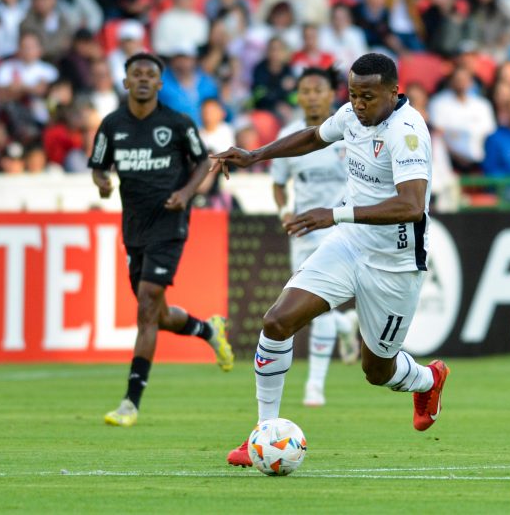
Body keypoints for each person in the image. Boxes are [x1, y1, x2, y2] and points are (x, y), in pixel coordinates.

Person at [214, 53, 449, 468]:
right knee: (276, 321)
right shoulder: (352, 115)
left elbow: (412, 205)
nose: (358, 104)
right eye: (353, 94)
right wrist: (255, 155)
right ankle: (262, 434)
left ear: (394, 92)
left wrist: (333, 214)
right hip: (349, 244)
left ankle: (428, 379)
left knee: (376, 370)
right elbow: (313, 137)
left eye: (368, 96)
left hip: (394, 264)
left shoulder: (408, 133)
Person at [88, 52, 234, 428]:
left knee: (147, 305)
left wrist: (186, 195)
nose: (141, 79)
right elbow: (99, 169)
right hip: (134, 228)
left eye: (149, 75)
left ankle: (130, 402)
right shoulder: (111, 125)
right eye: (135, 73)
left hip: (170, 224)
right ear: (125, 82)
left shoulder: (177, 123)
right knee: (156, 313)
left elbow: (204, 161)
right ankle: (207, 329)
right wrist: (102, 183)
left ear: (158, 83)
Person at [269, 68, 361, 407]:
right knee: (308, 310)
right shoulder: (290, 135)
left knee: (319, 309)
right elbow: (278, 184)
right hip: (305, 230)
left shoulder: (349, 129)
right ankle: (345, 325)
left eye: (317, 90)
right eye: (305, 90)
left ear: (330, 94)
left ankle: (315, 387)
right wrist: (284, 213)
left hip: (341, 228)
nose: (310, 96)